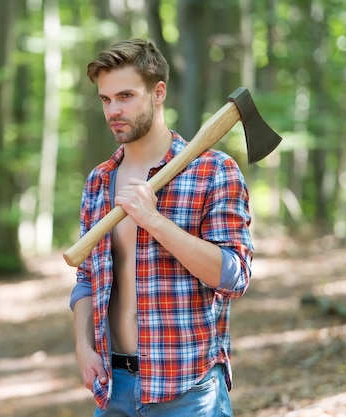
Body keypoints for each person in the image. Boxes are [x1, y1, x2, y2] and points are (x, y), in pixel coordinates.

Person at [69, 38, 254, 417]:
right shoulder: (99, 181)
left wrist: (154, 221)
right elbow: (87, 276)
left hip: (189, 390)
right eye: (105, 99)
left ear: (158, 93)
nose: (113, 110)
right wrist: (83, 346)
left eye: (125, 96)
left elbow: (234, 277)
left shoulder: (213, 171)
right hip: (113, 387)